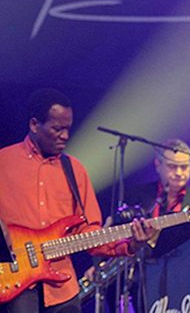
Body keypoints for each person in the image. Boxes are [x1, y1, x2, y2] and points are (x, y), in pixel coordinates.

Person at [0, 88, 153, 313]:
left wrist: (130, 244)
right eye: (57, 128)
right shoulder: (4, 161)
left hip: (63, 289)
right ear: (34, 125)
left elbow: (88, 232)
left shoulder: (75, 170)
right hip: (14, 284)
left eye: (68, 129)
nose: (65, 136)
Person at [82, 138, 190, 312]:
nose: (179, 172)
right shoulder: (135, 195)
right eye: (172, 166)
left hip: (185, 279)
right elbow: (112, 230)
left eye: (184, 167)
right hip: (139, 279)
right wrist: (99, 263)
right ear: (158, 164)